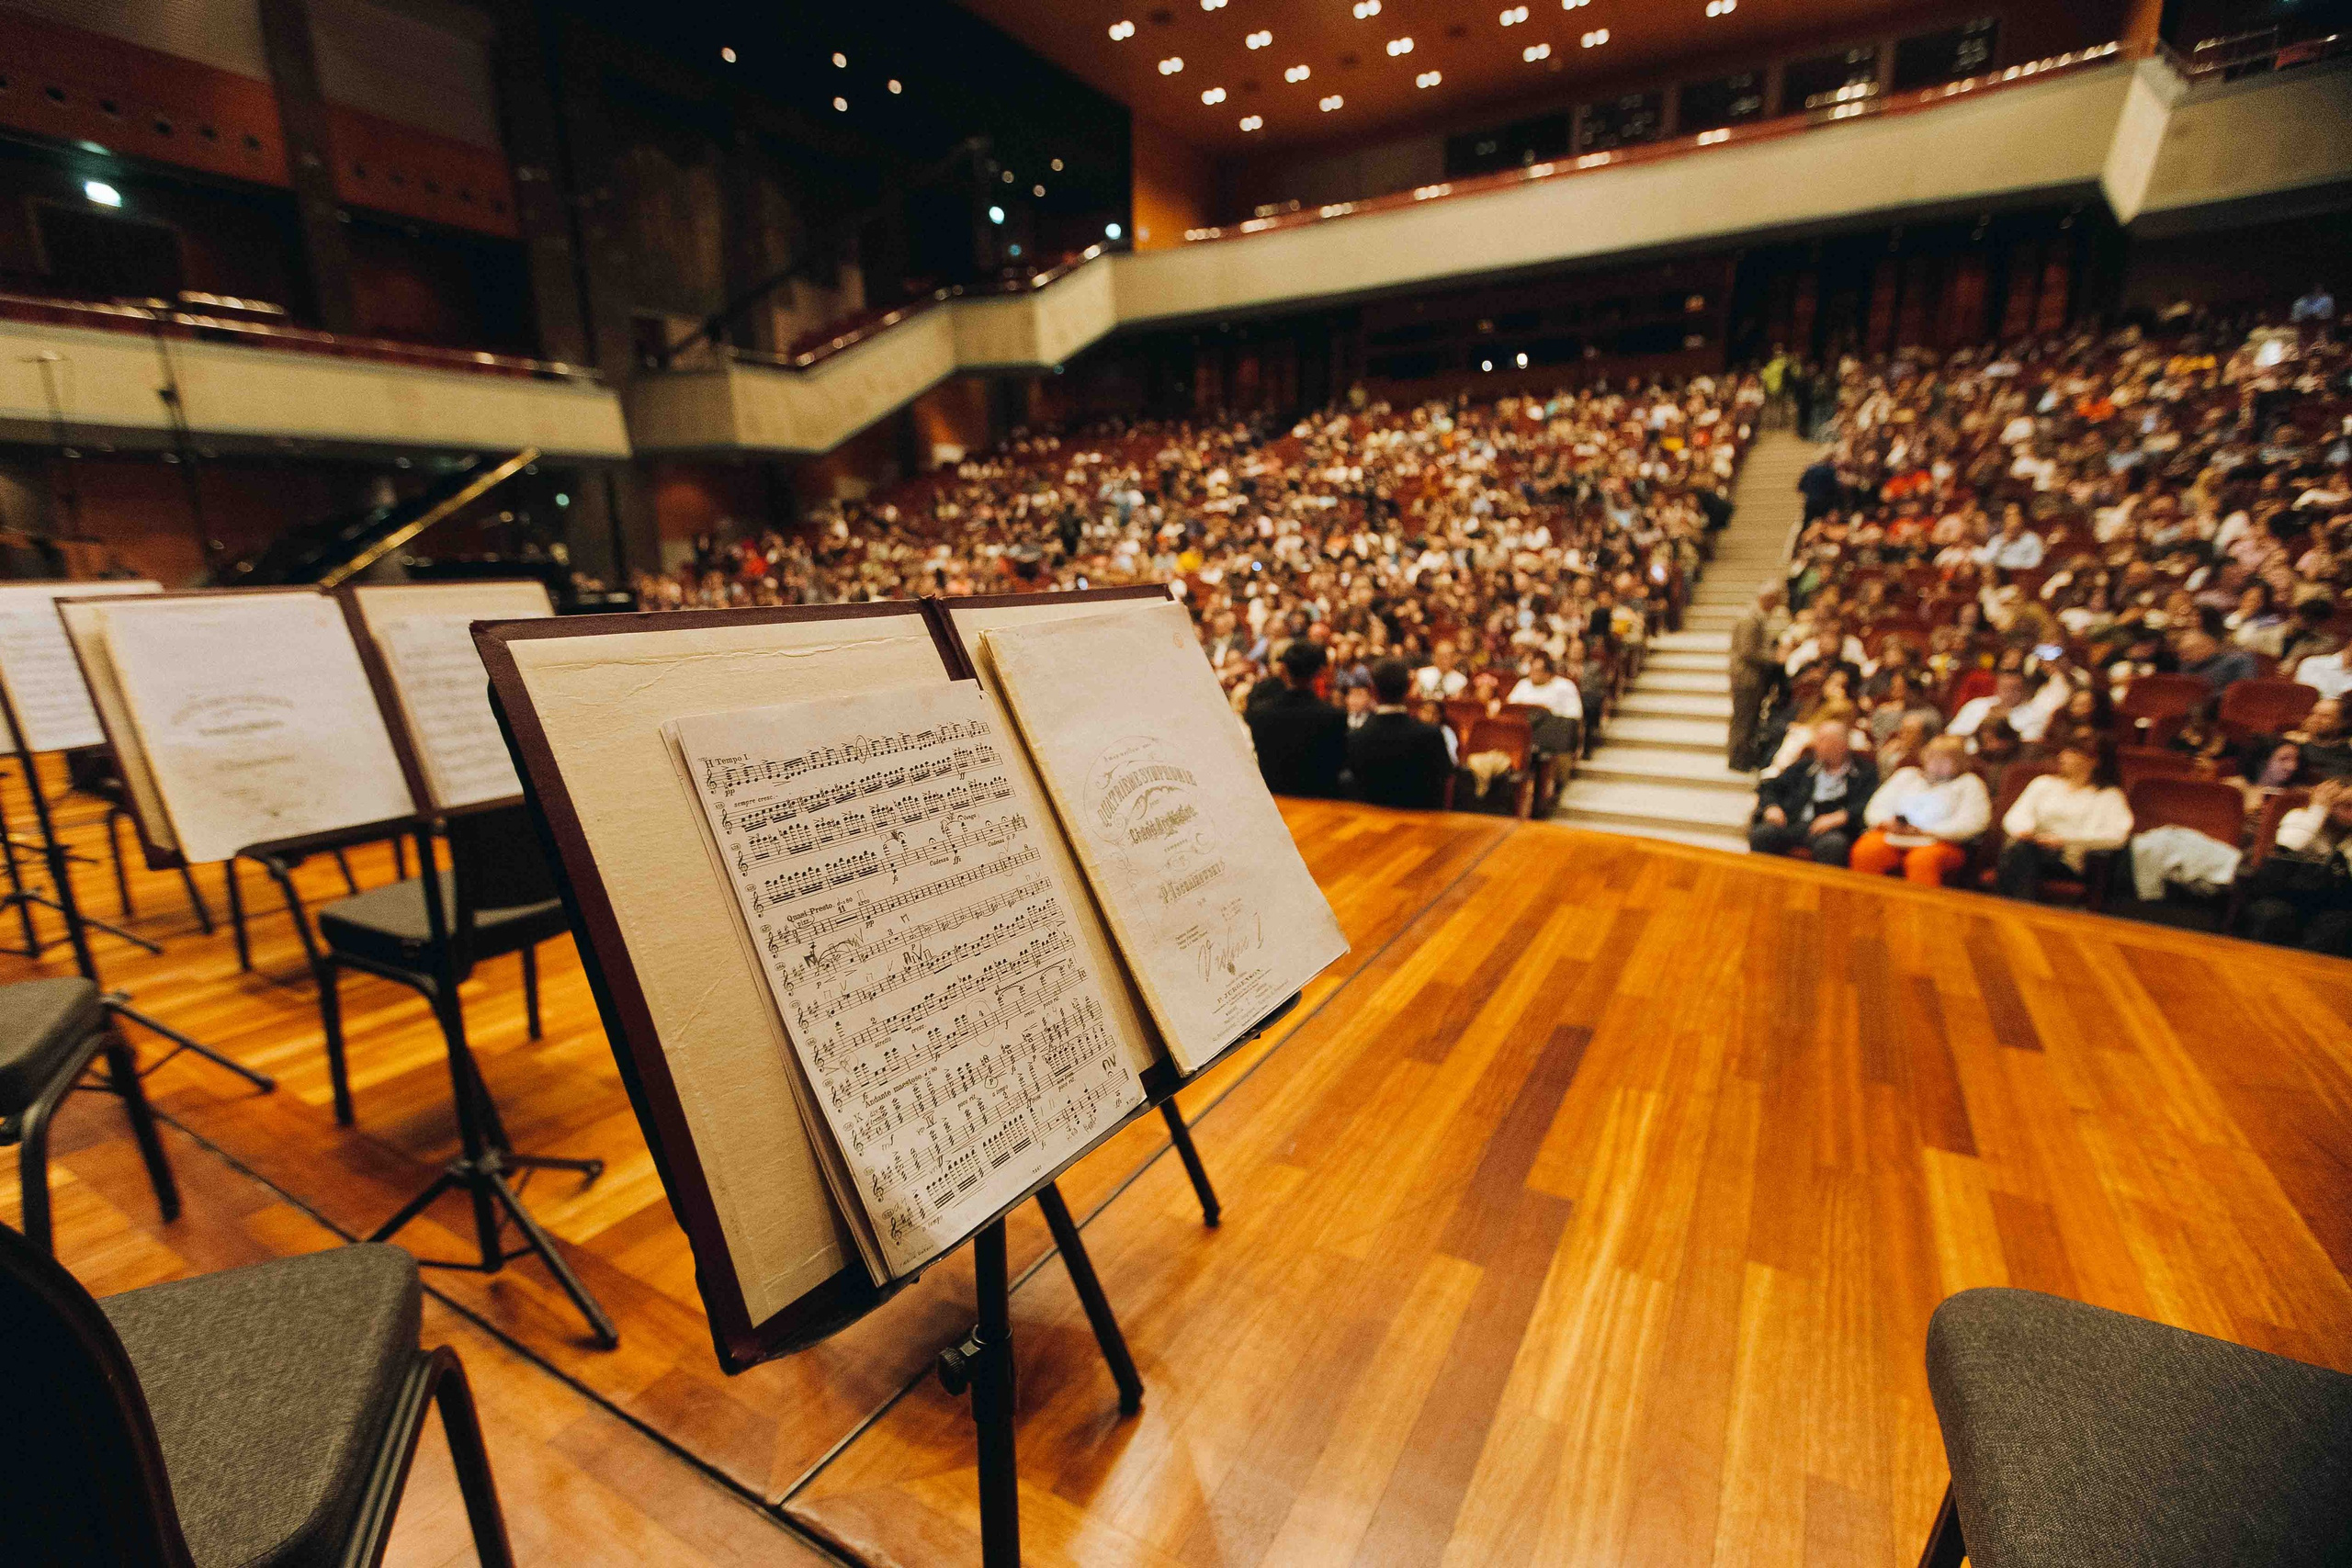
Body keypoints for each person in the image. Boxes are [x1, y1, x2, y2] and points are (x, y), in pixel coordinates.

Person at [1995, 740, 2133, 901]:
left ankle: (2011, 910)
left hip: (2068, 859)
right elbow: (2015, 816)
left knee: (2017, 854)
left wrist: (2064, 840)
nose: (2062, 756)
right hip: (2031, 845)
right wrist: (2025, 830)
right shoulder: (2043, 783)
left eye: (2072, 752)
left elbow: (2117, 837)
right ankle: (2018, 909)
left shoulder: (2109, 796)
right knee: (2020, 850)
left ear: (2093, 761)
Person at [1851, 736, 1991, 885]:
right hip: (1895, 834)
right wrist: (1888, 823)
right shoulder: (1906, 775)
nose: (1937, 765)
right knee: (1866, 850)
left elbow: (1974, 822)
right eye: (1933, 758)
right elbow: (1876, 807)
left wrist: (1928, 831)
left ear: (1959, 762)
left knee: (1921, 861)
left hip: (1940, 842)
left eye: (1945, 760)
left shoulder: (1969, 783)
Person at [2239, 776, 2352, 955]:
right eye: (2346, 806)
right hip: (2285, 894)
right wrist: (2319, 809)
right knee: (2272, 916)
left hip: (2330, 903)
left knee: (2341, 924)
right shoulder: (2300, 817)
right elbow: (2291, 844)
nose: (2349, 814)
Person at [1749, 718, 1878, 867]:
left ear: (1841, 745)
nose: (1816, 744)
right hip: (1793, 823)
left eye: (1823, 740)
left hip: (1830, 831)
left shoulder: (1863, 773)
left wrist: (1843, 816)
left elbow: (1869, 802)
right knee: (1763, 834)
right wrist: (1771, 806)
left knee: (1833, 845)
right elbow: (1769, 787)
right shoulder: (1804, 766)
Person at [1347, 658, 1453, 810]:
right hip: (1422, 826)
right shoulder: (1431, 735)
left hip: (1369, 825)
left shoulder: (1356, 737)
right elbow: (1446, 782)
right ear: (1409, 687)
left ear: (1373, 690)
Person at [1245, 639, 1348, 798]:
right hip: (1322, 804)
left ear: (1284, 670)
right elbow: (1338, 764)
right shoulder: (1333, 716)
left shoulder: (1260, 714)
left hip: (1276, 803)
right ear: (1318, 672)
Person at [1728, 585, 1784, 771]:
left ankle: (1744, 756)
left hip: (1752, 677)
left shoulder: (1756, 617)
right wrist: (1775, 657)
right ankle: (1737, 759)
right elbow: (1747, 651)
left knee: (1749, 719)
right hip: (1746, 677)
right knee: (1743, 719)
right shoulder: (1749, 619)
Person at [1506, 650, 1583, 758]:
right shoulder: (1523, 684)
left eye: (1536, 671)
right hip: (1522, 732)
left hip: (1551, 735)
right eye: (1531, 670)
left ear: (1548, 673)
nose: (1531, 674)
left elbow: (1574, 715)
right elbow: (1510, 707)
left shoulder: (1565, 686)